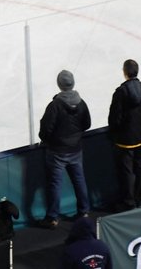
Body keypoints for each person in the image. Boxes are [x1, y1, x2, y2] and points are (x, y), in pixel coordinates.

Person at [38, 69, 92, 227]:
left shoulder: (55, 105)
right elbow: (87, 124)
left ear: (59, 85)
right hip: (75, 149)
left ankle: (52, 217)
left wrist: (50, 140)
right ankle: (84, 211)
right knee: (79, 180)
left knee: (55, 184)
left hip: (57, 152)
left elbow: (46, 129)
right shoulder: (81, 103)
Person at [108, 59, 141, 211]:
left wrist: (114, 133)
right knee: (140, 168)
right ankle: (140, 199)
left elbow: (115, 117)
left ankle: (129, 201)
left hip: (125, 139)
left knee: (127, 171)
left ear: (125, 72)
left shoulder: (120, 92)